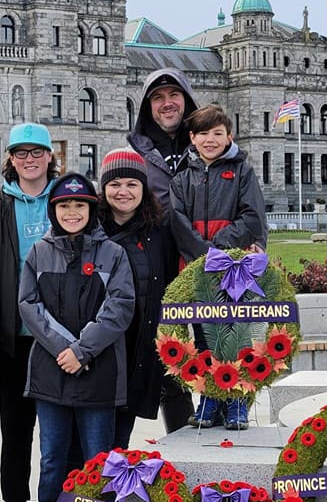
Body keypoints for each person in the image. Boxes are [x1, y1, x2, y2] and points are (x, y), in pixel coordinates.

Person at [18, 172, 134, 502]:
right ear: (54, 211)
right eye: (64, 205)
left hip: (98, 373)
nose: (72, 212)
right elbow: (28, 305)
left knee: (98, 458)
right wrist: (64, 348)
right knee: (52, 457)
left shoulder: (113, 254)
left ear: (91, 209)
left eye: (79, 204)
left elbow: (120, 307)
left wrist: (83, 350)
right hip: (51, 372)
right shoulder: (39, 251)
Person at [0, 122, 58, 502]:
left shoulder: (69, 198)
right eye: (21, 153)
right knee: (16, 430)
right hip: (14, 340)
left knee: (59, 432)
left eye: (36, 152)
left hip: (60, 342)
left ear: (49, 156)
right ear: (10, 159)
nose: (29, 159)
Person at [169, 104, 268, 431]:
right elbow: (177, 221)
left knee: (234, 336)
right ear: (192, 138)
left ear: (229, 137)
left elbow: (252, 217)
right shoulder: (183, 178)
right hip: (197, 272)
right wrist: (203, 253)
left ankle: (237, 401)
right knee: (203, 339)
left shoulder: (243, 173)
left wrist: (219, 248)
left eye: (217, 133)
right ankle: (210, 399)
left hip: (233, 271)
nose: (210, 140)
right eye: (203, 134)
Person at [127, 68, 198, 433]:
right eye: (157, 97)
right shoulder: (135, 153)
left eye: (173, 95)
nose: (166, 103)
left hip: (205, 264)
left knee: (219, 352)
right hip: (156, 266)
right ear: (147, 106)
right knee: (171, 358)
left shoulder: (208, 143)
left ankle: (224, 430)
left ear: (186, 99)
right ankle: (185, 441)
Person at [97, 148, 173, 448]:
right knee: (87, 446)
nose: (123, 191)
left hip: (137, 353)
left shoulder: (159, 233)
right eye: (115, 184)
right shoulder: (90, 229)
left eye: (132, 184)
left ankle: (109, 495)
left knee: (118, 442)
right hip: (97, 353)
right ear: (103, 189)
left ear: (144, 188)